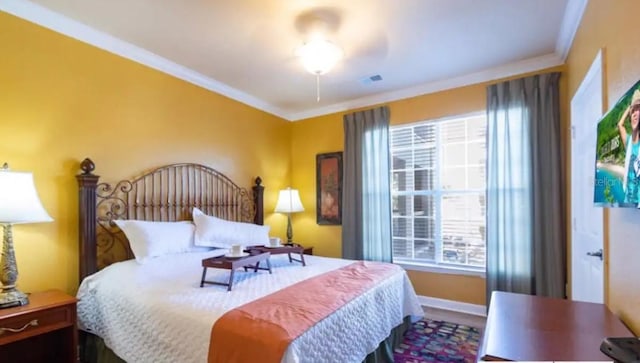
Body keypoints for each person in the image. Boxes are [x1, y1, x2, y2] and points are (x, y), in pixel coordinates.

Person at [617, 89, 640, 205]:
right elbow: (620, 124)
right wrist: (630, 107)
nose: (635, 113)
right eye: (633, 110)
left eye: (639, 109)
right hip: (627, 202)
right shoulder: (629, 142)